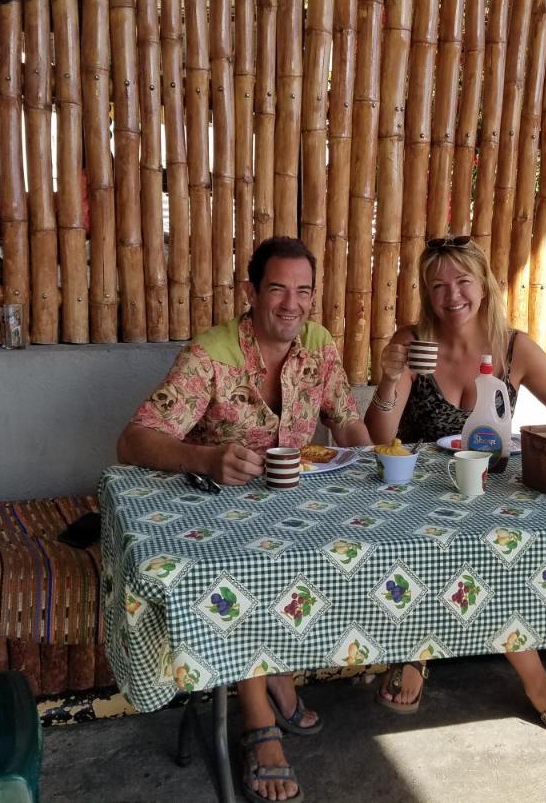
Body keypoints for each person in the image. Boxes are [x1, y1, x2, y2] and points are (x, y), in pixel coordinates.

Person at [118, 236, 371, 803]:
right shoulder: (209, 355)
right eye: (277, 289)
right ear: (251, 292)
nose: (291, 304)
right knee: (243, 574)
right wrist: (205, 458)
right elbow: (133, 439)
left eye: (303, 291)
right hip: (217, 511)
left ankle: (278, 668)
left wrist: (376, 461)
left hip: (295, 508)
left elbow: (347, 424)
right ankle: (258, 720)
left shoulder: (319, 345)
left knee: (352, 555)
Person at [365, 234, 546, 744]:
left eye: (462, 281)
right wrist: (390, 378)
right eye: (437, 285)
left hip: (491, 489)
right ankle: (441, 657)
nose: (451, 295)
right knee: (463, 544)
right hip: (416, 494)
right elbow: (378, 436)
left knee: (504, 542)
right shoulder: (414, 340)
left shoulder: (513, 347)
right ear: (425, 292)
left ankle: (435, 653)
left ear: (484, 285)